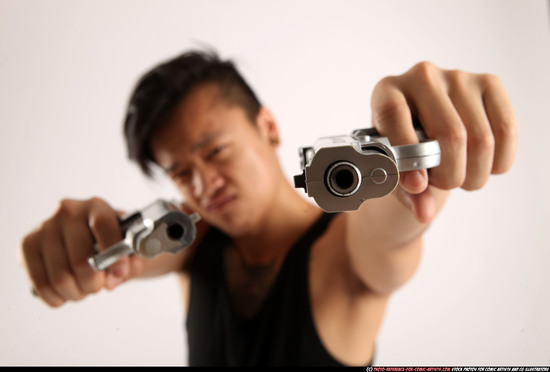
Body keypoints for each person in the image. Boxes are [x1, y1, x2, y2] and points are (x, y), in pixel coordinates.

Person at [19, 49, 518, 366]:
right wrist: (84, 244)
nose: (203, 184)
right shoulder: (193, 246)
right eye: (180, 173)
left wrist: (418, 152)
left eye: (215, 151)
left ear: (269, 127)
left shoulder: (344, 256)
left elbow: (391, 226)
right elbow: (142, 249)